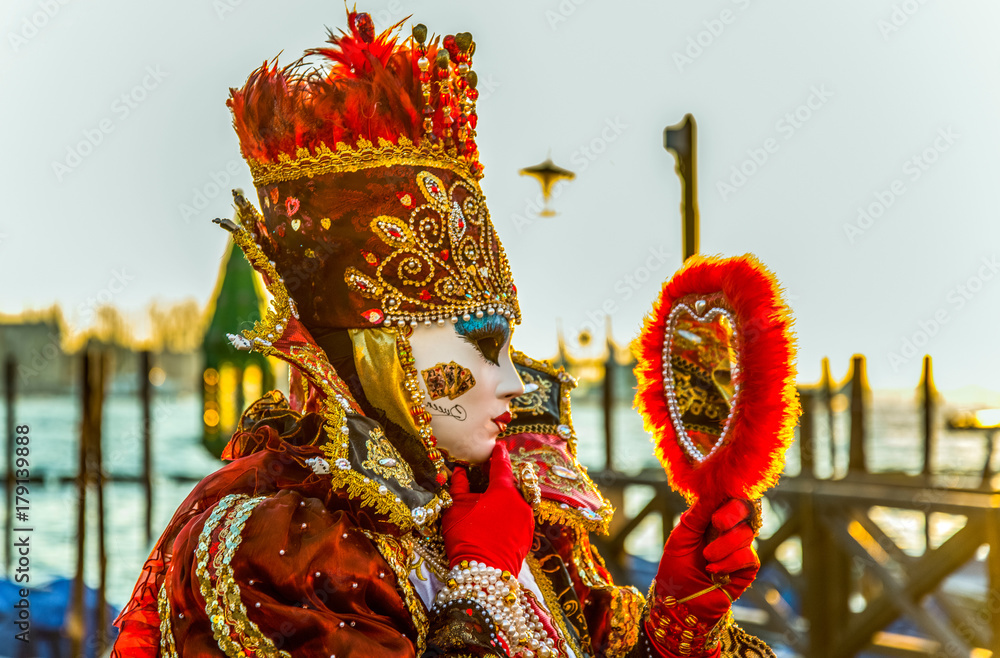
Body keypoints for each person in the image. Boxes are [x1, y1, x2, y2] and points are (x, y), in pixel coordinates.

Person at [112, 10, 774, 657]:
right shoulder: (280, 553)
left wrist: (680, 619)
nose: (515, 383)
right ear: (379, 352)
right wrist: (479, 585)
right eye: (482, 347)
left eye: (508, 348)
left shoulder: (515, 514)